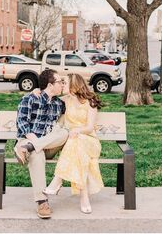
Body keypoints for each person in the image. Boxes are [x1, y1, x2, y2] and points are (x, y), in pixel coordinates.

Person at [42, 73, 103, 214]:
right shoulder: (67, 100)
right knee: (76, 146)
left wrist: (76, 130)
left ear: (74, 85)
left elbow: (89, 128)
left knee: (76, 140)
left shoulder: (91, 102)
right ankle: (84, 197)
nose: (62, 85)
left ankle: (58, 180)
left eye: (65, 82)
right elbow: (49, 97)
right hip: (75, 142)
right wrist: (37, 90)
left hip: (90, 141)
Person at [13, 68, 68, 219]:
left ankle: (28, 148)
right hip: (28, 140)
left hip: (45, 145)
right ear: (50, 85)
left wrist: (36, 145)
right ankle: (42, 201)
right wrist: (35, 143)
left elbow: (78, 96)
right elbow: (23, 125)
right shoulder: (29, 99)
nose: (62, 84)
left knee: (65, 133)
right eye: (59, 82)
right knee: (37, 153)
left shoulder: (60, 104)